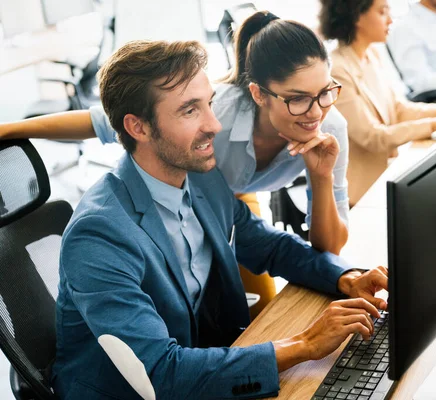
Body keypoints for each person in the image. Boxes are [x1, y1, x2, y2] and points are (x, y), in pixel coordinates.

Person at [51, 38, 388, 400]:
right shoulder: (100, 235)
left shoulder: (201, 178)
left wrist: (346, 277)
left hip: (205, 366)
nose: (214, 125)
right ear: (138, 127)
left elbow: (269, 246)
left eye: (209, 104)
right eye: (190, 111)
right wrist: (306, 343)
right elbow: (162, 375)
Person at [0, 11, 350, 316]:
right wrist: (10, 129)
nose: (317, 111)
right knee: (237, 310)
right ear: (259, 94)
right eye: (298, 99)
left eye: (324, 93)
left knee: (246, 311)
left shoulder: (326, 128)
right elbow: (104, 120)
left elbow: (301, 247)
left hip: (216, 202)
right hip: (191, 193)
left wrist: (346, 272)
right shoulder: (216, 117)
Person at [319, 0, 436, 206]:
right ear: (357, 17)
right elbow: (373, 136)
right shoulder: (337, 70)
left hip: (389, 173)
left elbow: (398, 108)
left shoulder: (371, 55)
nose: (391, 19)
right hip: (363, 193)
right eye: (382, 12)